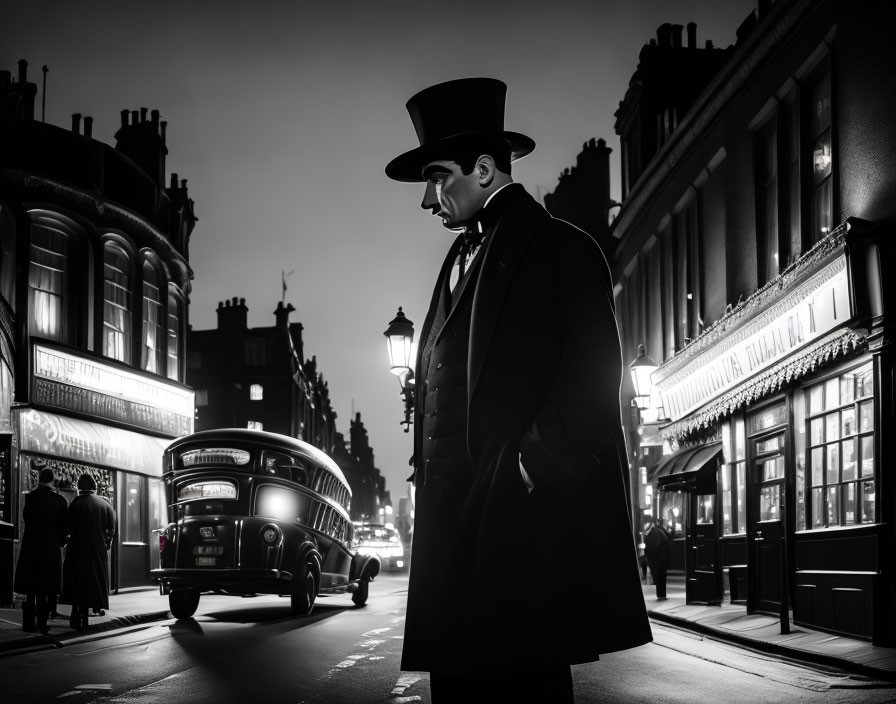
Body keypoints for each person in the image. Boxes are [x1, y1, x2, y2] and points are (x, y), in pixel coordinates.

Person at [385, 77, 651, 703]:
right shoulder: (456, 261)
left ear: (483, 169)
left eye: (437, 176)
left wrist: (533, 468)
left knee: (523, 694)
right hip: (456, 541)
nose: (428, 198)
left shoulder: (562, 250)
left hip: (518, 532)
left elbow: (593, 375)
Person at [13, 465, 68, 634]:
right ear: (52, 480)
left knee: (31, 587)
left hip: (31, 546)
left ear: (39, 479)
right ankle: (42, 624)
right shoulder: (59, 501)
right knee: (45, 588)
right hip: (50, 548)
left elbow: (26, 518)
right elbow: (63, 527)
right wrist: (62, 541)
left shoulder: (31, 497)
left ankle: (28, 624)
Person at [62, 473, 115, 631]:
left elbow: (66, 527)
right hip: (97, 551)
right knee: (94, 582)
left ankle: (74, 612)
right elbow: (111, 529)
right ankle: (91, 609)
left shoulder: (75, 504)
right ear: (94, 487)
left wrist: (67, 539)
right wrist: (106, 544)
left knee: (76, 581)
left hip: (77, 549)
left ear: (79, 487)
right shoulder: (105, 504)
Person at [644, 517, 672, 599]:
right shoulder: (660, 532)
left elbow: (652, 547)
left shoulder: (654, 533)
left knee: (659, 577)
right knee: (661, 577)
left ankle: (661, 595)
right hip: (661, 559)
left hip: (658, 559)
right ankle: (662, 595)